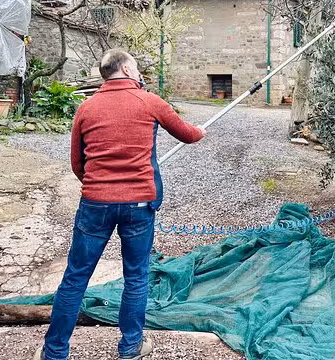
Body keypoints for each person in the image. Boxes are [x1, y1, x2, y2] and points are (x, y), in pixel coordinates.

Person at [34, 49, 206, 360]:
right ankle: (130, 347)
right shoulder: (149, 100)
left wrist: (100, 184)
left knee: (75, 277)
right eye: (137, 69)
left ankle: (54, 353)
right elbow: (189, 135)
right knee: (136, 276)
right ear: (126, 69)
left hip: (95, 204)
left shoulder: (86, 108)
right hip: (139, 205)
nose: (140, 75)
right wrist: (200, 132)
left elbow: (78, 163)